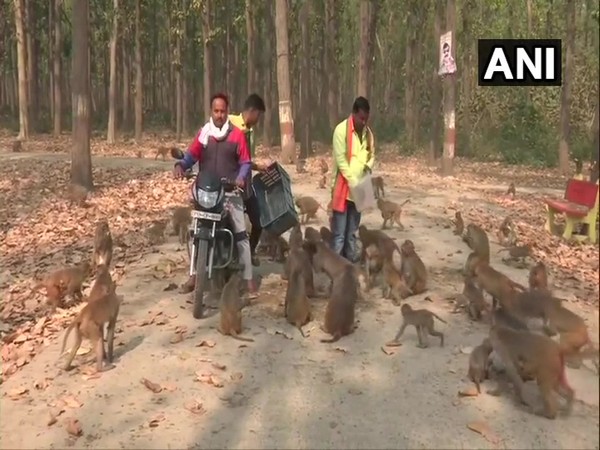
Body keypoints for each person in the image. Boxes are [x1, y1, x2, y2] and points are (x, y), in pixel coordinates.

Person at [173, 93, 258, 298]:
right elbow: (191, 155)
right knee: (195, 231)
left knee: (240, 234)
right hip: (206, 191)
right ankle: (194, 275)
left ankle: (248, 278)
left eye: (222, 111)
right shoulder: (204, 134)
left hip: (229, 191)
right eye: (216, 110)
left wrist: (241, 177)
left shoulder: (237, 135)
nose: (219, 114)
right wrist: (180, 165)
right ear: (211, 111)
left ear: (227, 111)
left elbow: (246, 162)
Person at [330, 96, 375, 262]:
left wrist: (368, 165)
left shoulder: (368, 134)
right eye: (361, 118)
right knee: (339, 234)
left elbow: (371, 154)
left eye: (366, 119)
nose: (364, 122)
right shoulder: (341, 131)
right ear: (354, 114)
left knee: (352, 233)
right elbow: (341, 162)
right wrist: (353, 181)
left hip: (361, 188)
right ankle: (335, 267)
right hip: (343, 188)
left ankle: (350, 266)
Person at [228, 94, 270, 266]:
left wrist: (257, 167)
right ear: (252, 111)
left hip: (246, 185)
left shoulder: (250, 131)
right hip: (229, 185)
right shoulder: (230, 125)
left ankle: (249, 253)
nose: (259, 119)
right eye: (259, 115)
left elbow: (245, 159)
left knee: (258, 222)